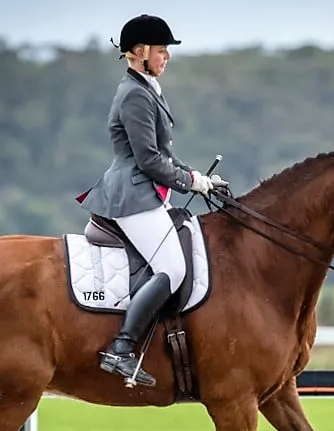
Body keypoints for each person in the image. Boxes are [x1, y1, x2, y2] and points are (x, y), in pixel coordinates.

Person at [76, 14, 226, 387]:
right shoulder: (133, 95)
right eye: (161, 50)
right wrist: (191, 183)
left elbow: (164, 156)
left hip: (146, 192)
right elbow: (149, 160)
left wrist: (201, 180)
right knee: (173, 269)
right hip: (132, 196)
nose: (166, 56)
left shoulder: (146, 89)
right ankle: (122, 349)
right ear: (139, 52)